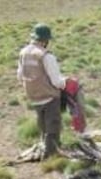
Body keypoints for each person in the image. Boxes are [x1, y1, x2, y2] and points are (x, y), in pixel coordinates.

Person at [17, 24, 67, 157]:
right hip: (49, 96)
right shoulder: (46, 56)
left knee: (42, 124)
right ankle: (51, 154)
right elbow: (56, 82)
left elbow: (20, 76)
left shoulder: (23, 53)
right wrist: (67, 83)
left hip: (33, 96)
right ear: (45, 40)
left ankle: (44, 146)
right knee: (53, 126)